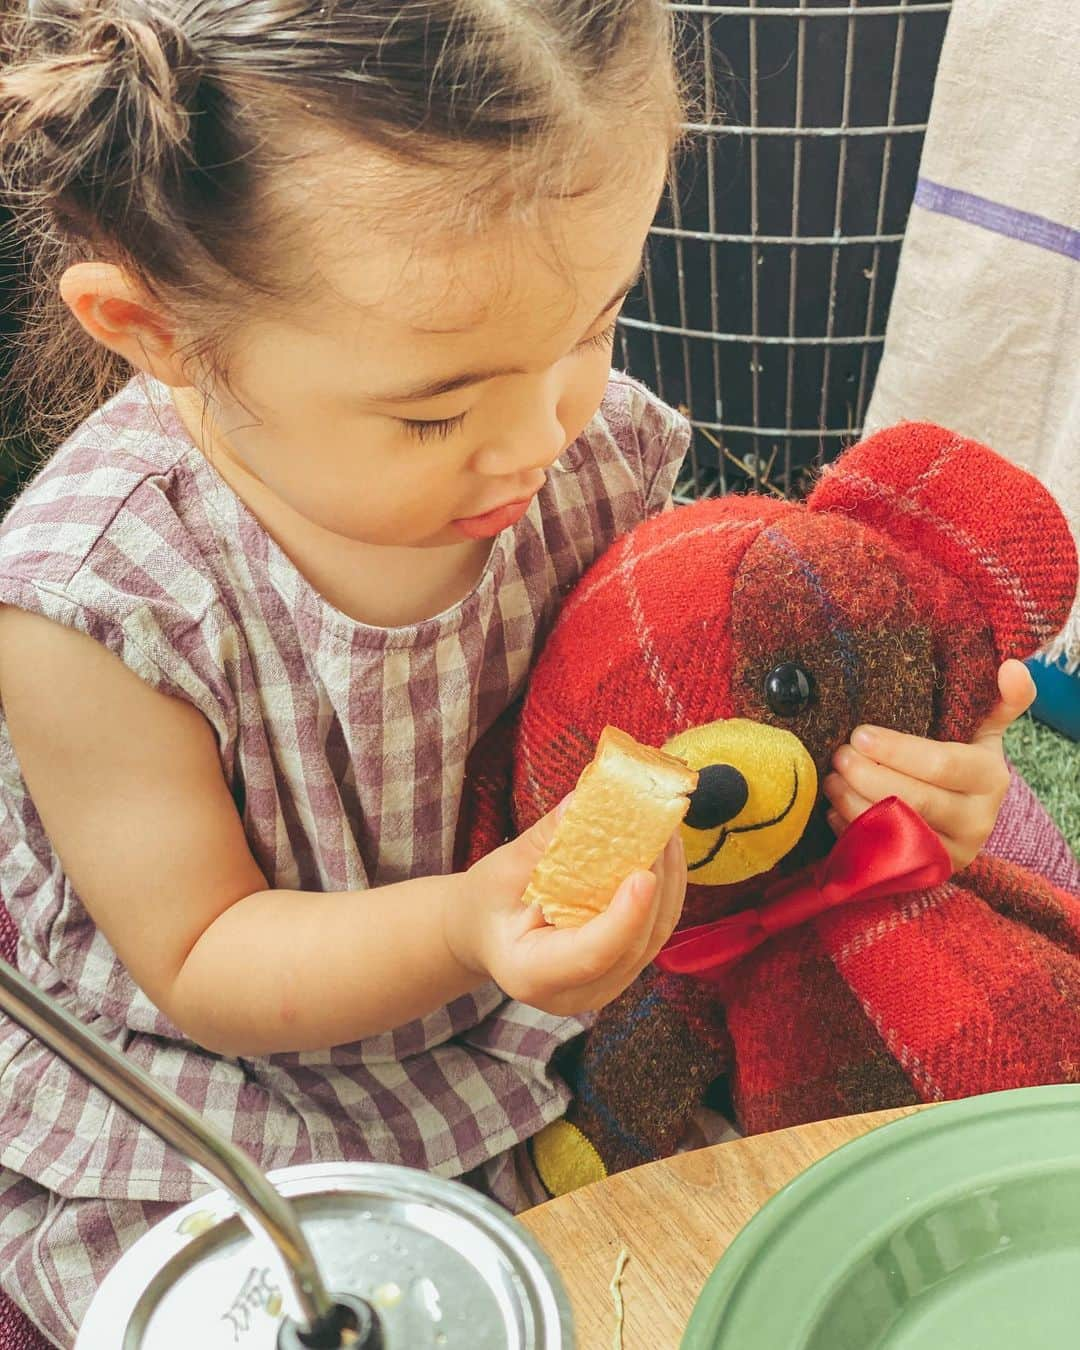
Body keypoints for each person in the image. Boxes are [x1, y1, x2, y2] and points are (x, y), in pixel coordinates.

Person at [0, 2, 1031, 1343]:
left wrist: (896, 772)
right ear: (147, 326)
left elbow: (687, 685)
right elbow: (201, 954)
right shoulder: (93, 600)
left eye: (597, 321)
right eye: (435, 408)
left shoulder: (576, 437)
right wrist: (465, 924)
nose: (543, 433)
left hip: (556, 971)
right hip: (238, 1068)